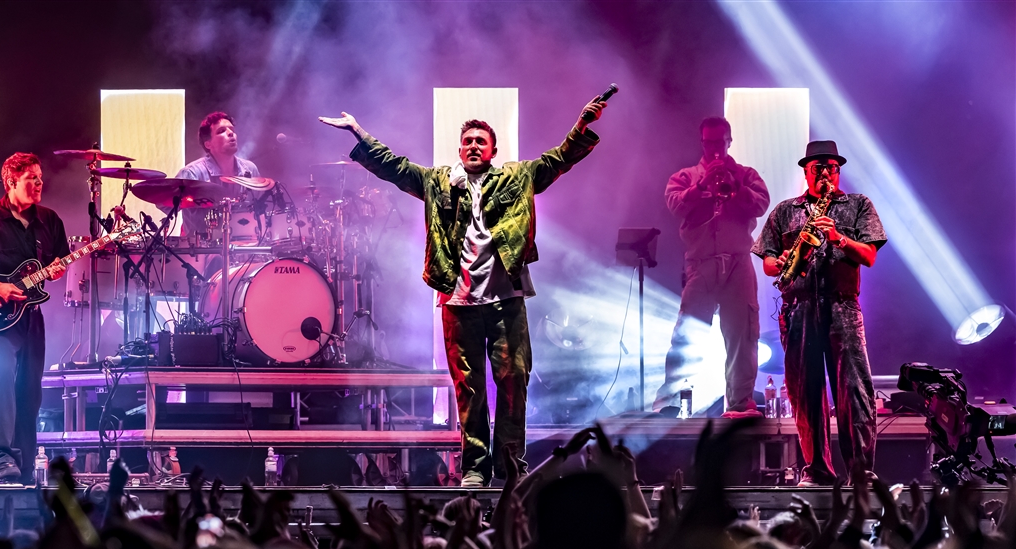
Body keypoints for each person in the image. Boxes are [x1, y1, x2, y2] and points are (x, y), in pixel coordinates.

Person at [319, 97, 605, 486]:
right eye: (467, 140)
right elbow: (393, 166)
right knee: (468, 389)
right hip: (458, 301)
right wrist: (359, 132)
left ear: (493, 150)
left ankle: (509, 466)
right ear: (459, 149)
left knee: (512, 382)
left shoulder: (517, 177)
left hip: (507, 299)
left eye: (480, 141)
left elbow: (558, 159)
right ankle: (474, 466)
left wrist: (582, 125)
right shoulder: (438, 183)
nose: (473, 146)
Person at [752, 140, 886, 486]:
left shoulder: (857, 205)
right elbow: (767, 259)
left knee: (854, 391)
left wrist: (839, 237)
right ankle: (816, 471)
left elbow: (868, 256)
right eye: (818, 167)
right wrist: (778, 262)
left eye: (831, 167)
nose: (825, 173)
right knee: (805, 393)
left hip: (842, 306)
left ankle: (861, 471)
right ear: (807, 172)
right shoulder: (785, 211)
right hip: (798, 309)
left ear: (838, 171)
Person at [0, 153, 68, 484]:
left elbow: (56, 266)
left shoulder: (49, 221)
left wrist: (59, 270)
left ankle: (24, 459)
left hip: (31, 316)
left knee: (31, 388)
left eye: (40, 177)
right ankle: (1, 457)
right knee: (4, 375)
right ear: (10, 182)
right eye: (31, 178)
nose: (39, 184)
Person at [654, 117, 771, 417]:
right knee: (688, 333)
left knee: (742, 334)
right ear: (702, 143)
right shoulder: (685, 176)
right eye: (709, 143)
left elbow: (761, 204)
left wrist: (736, 186)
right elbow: (674, 204)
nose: (715, 149)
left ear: (729, 141)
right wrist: (702, 186)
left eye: (720, 142)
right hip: (701, 263)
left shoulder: (746, 175)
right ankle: (670, 401)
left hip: (738, 262)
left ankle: (739, 400)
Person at [176, 111, 262, 240]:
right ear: (208, 144)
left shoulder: (249, 170)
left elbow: (260, 209)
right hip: (201, 252)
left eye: (232, 129)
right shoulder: (192, 173)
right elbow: (165, 200)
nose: (230, 133)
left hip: (244, 250)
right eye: (221, 131)